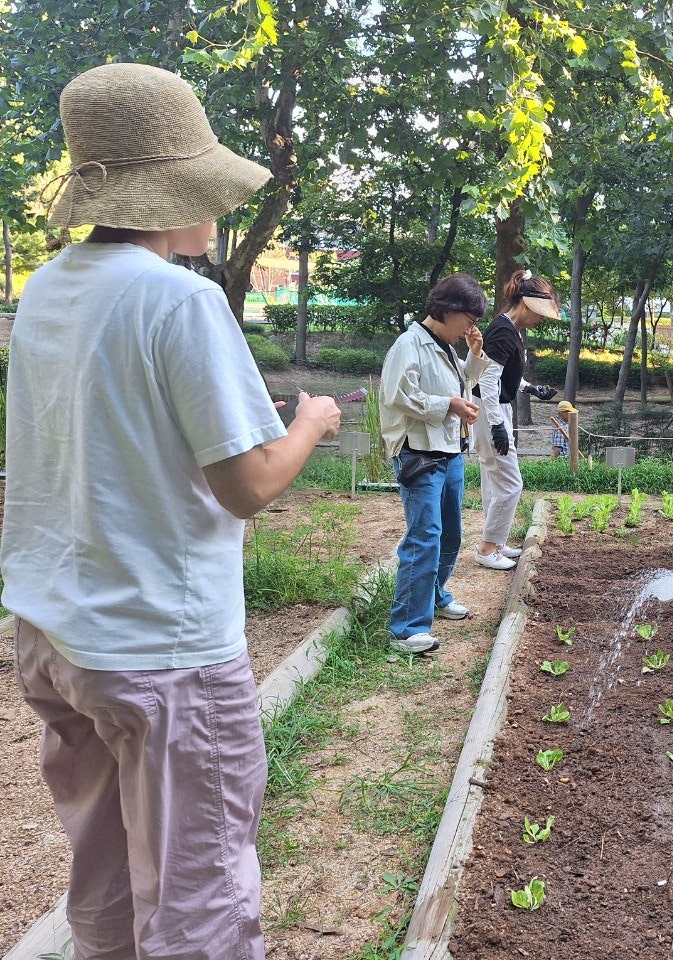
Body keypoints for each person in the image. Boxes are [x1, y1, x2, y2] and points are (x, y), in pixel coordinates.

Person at [1, 63, 342, 960]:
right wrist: (308, 423)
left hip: (57, 634)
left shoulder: (48, 288)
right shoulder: (178, 298)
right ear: (171, 193)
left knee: (105, 867)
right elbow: (248, 485)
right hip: (165, 652)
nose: (217, 205)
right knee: (200, 895)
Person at [380, 274, 491, 651]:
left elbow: (460, 386)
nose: (470, 328)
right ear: (448, 311)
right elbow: (398, 395)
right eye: (469, 321)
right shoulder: (409, 344)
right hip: (420, 454)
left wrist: (474, 356)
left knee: (449, 535)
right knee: (424, 538)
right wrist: (449, 406)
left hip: (449, 450)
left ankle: (435, 596)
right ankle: (407, 628)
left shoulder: (442, 345)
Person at [472, 268, 560, 569]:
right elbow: (486, 380)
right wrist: (497, 425)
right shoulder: (502, 330)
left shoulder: (511, 330)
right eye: (540, 313)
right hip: (488, 409)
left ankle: (494, 542)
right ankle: (486, 549)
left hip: (495, 406)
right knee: (511, 482)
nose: (540, 319)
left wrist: (529, 387)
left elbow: (504, 374)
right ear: (526, 304)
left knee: (495, 481)